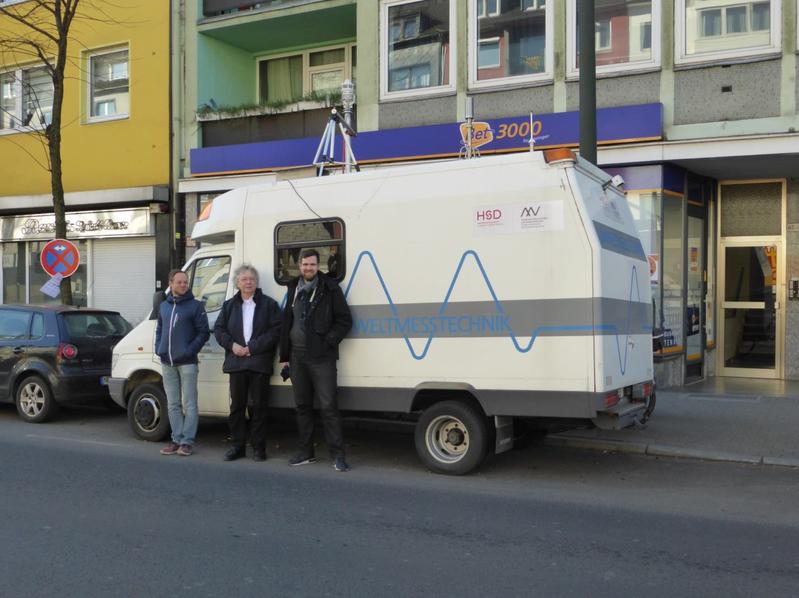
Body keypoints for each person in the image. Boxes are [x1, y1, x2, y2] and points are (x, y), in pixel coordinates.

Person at [279, 248, 353, 472]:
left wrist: (328, 342)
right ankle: (306, 452)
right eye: (304, 265)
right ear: (299, 266)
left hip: (322, 358)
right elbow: (287, 323)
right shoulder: (293, 287)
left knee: (329, 407)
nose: (308, 268)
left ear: (317, 266)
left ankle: (338, 456)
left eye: (312, 265)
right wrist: (284, 357)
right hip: (297, 357)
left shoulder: (330, 288)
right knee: (302, 407)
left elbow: (344, 320)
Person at [214, 264, 282, 462]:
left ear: (256, 282)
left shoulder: (269, 305)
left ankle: (259, 448)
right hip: (236, 363)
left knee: (259, 407)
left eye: (252, 278)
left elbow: (275, 331)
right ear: (237, 283)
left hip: (259, 362)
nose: (248, 282)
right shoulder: (228, 306)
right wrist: (233, 346)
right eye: (244, 279)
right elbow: (219, 330)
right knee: (237, 408)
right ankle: (238, 447)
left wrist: (252, 347)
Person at [155, 269, 210, 457]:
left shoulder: (195, 306)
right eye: (179, 282)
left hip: (187, 363)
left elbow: (203, 332)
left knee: (190, 403)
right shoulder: (163, 306)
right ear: (171, 284)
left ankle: (187, 442)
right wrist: (158, 347)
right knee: (173, 404)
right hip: (166, 361)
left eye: (185, 282)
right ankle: (176, 439)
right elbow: (159, 329)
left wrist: (189, 351)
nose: (183, 285)